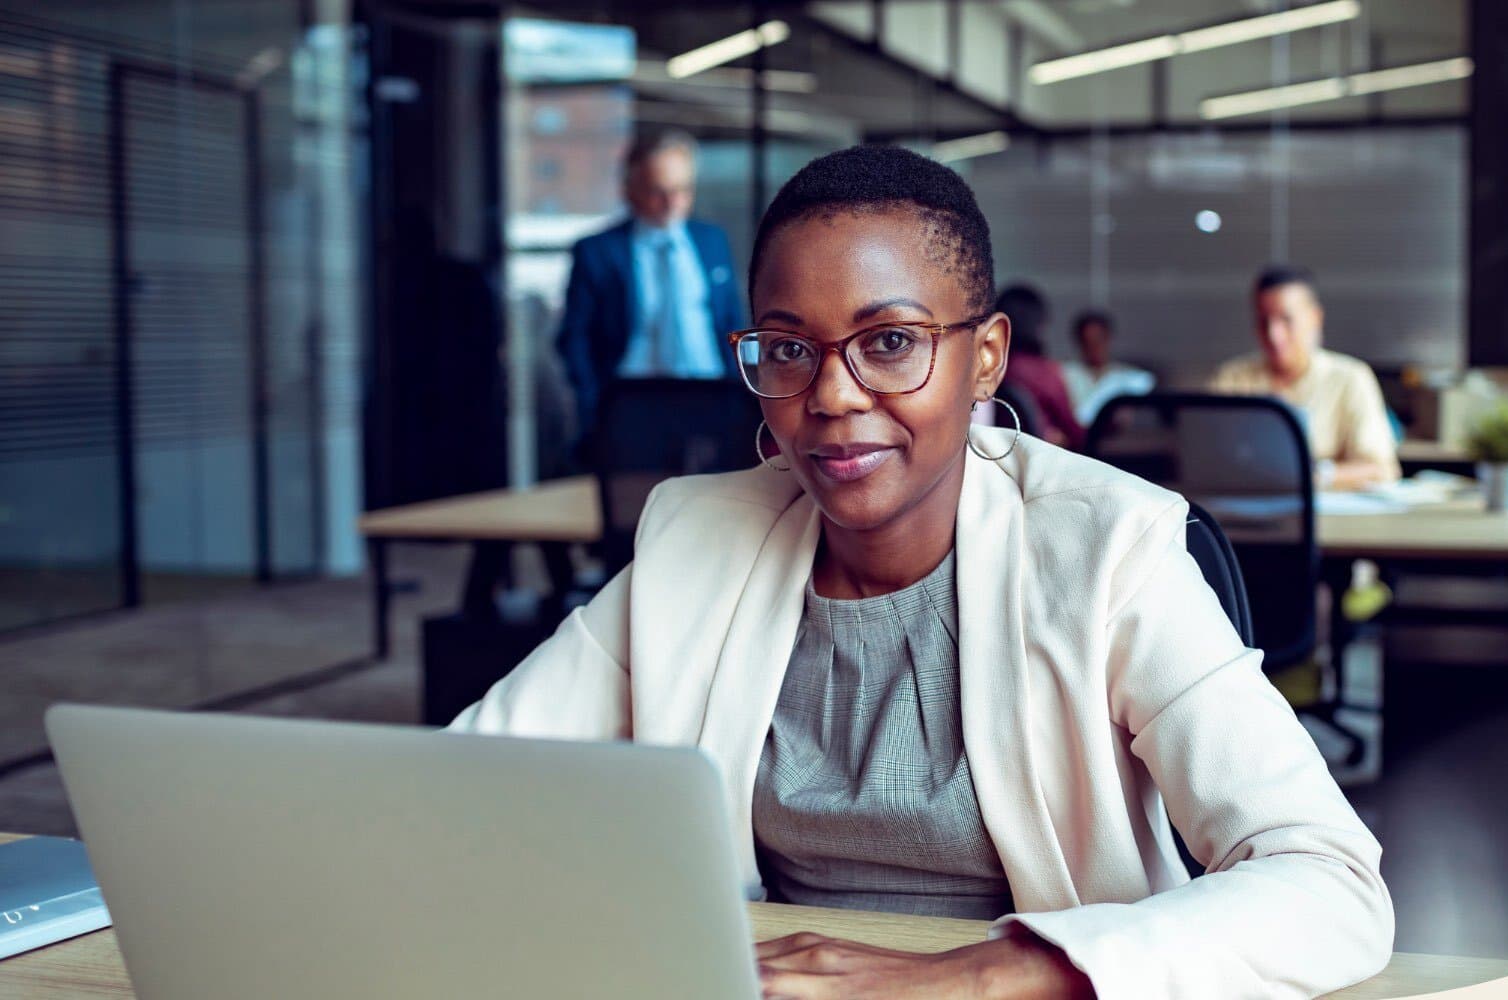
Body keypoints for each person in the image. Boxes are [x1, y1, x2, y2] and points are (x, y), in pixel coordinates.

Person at [450, 146, 1392, 999]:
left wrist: (990, 975)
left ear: (984, 359)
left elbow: (1331, 881)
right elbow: (456, 791)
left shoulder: (1109, 548)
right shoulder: (698, 542)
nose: (830, 395)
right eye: (788, 349)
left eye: (890, 342)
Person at [555, 129, 747, 445]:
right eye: (659, 191)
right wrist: (593, 404)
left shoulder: (711, 240)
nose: (672, 202)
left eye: (683, 190)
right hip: (633, 403)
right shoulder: (598, 251)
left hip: (711, 396)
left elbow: (729, 322)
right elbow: (574, 337)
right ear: (630, 190)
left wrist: (740, 392)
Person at [1209, 266, 1401, 490]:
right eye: (1263, 321)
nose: (1273, 334)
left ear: (1315, 318)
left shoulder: (1352, 377)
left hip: (1326, 517)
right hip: (1244, 513)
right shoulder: (1231, 378)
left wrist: (1316, 475)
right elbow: (1208, 458)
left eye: (1286, 320)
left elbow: (1381, 468)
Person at [994, 285, 1088, 449]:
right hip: (1043, 456)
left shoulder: (990, 368)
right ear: (1038, 324)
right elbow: (1075, 433)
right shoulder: (1044, 373)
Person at [1059, 310, 1155, 429]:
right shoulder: (1065, 374)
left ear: (1108, 339)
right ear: (1080, 342)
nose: (1094, 348)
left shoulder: (1128, 378)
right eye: (1088, 342)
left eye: (1098, 340)